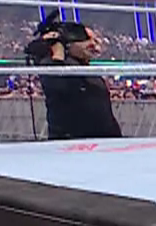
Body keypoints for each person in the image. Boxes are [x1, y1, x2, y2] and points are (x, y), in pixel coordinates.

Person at [24, 13, 121, 141]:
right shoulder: (51, 64)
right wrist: (57, 49)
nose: (94, 44)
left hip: (102, 141)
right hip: (71, 142)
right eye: (87, 39)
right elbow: (57, 85)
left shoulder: (86, 69)